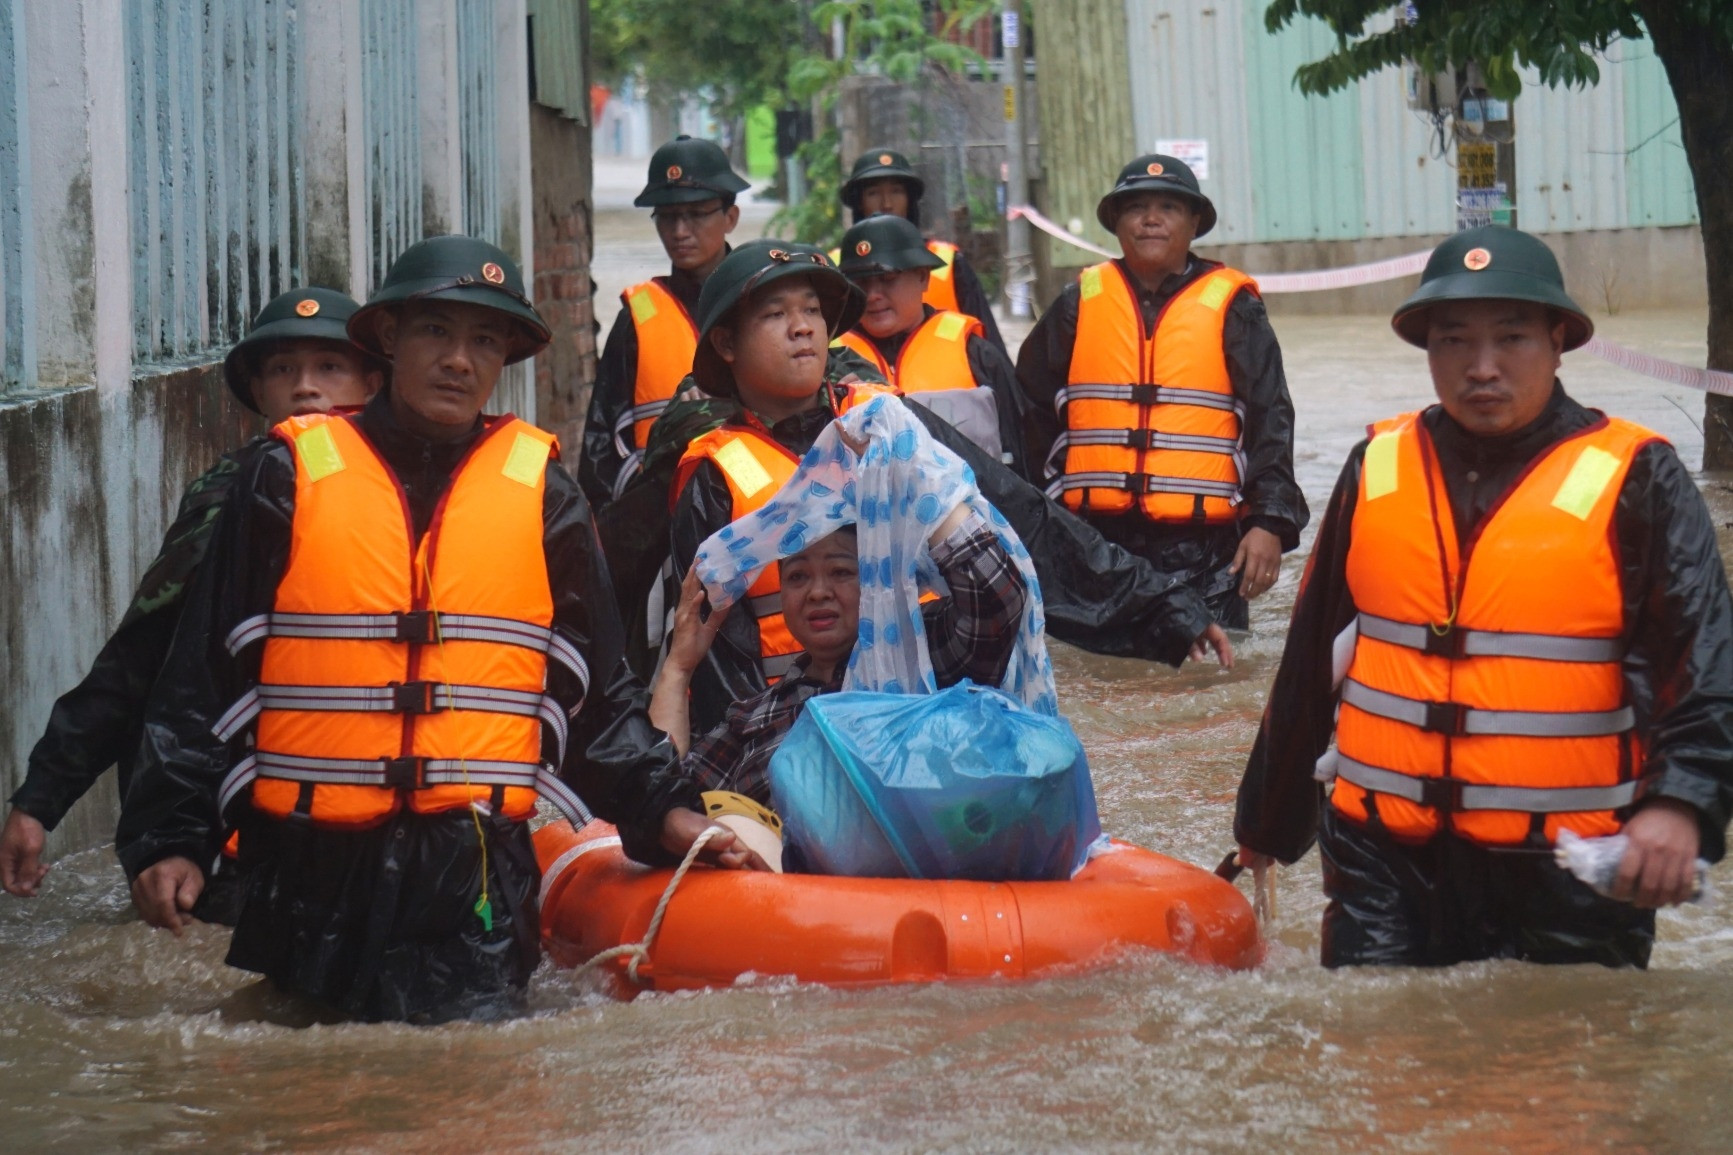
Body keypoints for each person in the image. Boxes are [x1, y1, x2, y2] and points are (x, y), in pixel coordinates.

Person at [116, 236, 760, 1024]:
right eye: (436, 333)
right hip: (310, 870)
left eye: (484, 340)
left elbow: (595, 694)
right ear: (388, 339)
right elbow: (200, 676)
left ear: (504, 358)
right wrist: (169, 836)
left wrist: (664, 812)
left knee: (471, 1093)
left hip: (474, 876)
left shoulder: (543, 492)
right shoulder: (283, 476)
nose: (459, 359)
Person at [1233, 225, 1733, 969]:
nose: (1482, 368)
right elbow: (1310, 657)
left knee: (1561, 1070)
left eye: (1511, 339)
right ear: (1426, 349)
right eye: (1454, 342)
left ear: (1558, 340)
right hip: (1383, 859)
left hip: (1569, 864)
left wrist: (1679, 804)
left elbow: (1706, 661)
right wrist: (1266, 826)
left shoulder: (1639, 476)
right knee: (1378, 1058)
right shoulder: (1377, 464)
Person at [668, 239, 1231, 739]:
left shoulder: (889, 425)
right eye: (776, 314)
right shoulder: (711, 473)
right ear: (726, 343)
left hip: (931, 698)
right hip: (802, 721)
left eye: (813, 311)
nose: (803, 328)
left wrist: (1161, 603)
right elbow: (717, 652)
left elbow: (1022, 519)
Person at [1, 287, 384, 901]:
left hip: (379, 826)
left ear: (372, 381)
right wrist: (40, 800)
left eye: (330, 368)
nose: (306, 387)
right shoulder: (232, 496)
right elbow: (141, 653)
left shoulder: (421, 496)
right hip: (237, 827)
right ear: (259, 391)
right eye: (284, 370)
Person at [1017, 153, 1308, 631]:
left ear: (1194, 222)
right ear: (1116, 223)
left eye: (1169, 207)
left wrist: (1269, 523)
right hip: (1096, 545)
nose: (1151, 219)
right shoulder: (1077, 304)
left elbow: (1270, 417)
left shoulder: (1235, 308)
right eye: (1136, 208)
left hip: (1206, 553)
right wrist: (1041, 520)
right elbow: (1027, 413)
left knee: (1205, 687)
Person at [652, 504, 1024, 805]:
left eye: (841, 571)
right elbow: (662, 800)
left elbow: (997, 598)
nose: (817, 592)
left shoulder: (923, 658)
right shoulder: (752, 716)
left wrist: (921, 478)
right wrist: (679, 668)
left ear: (880, 580)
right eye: (797, 577)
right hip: (776, 890)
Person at [579, 136, 750, 508]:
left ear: (731, 217)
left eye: (696, 213)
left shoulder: (760, 301)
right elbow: (601, 448)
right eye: (668, 216)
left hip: (755, 510)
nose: (679, 231)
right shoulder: (640, 317)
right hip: (661, 518)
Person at [833, 213, 1032, 477]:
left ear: (923, 277)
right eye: (860, 282)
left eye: (888, 278)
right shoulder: (832, 362)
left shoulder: (975, 354)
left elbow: (1022, 452)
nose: (873, 295)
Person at [837, 148, 1007, 356]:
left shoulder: (948, 261)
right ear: (859, 202)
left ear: (923, 275)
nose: (887, 203)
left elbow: (990, 349)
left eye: (896, 191)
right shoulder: (835, 266)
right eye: (873, 193)